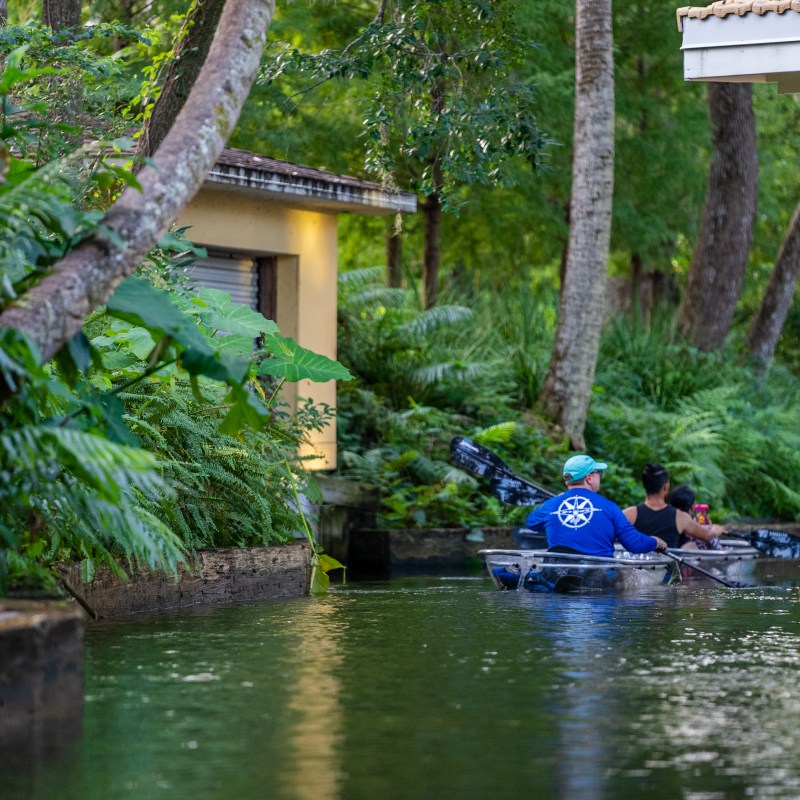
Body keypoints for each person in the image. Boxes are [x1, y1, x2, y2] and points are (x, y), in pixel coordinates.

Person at [525, 454, 667, 557]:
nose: (600, 476)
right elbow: (635, 544)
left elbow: (531, 522)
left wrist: (556, 500)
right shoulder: (609, 507)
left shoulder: (551, 505)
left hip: (557, 576)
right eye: (599, 473)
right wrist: (656, 542)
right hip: (598, 580)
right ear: (589, 478)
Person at [622, 464, 726, 549]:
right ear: (665, 487)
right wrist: (714, 531)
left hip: (637, 572)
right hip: (668, 573)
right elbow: (708, 536)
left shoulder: (629, 514)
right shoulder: (680, 517)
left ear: (644, 485)